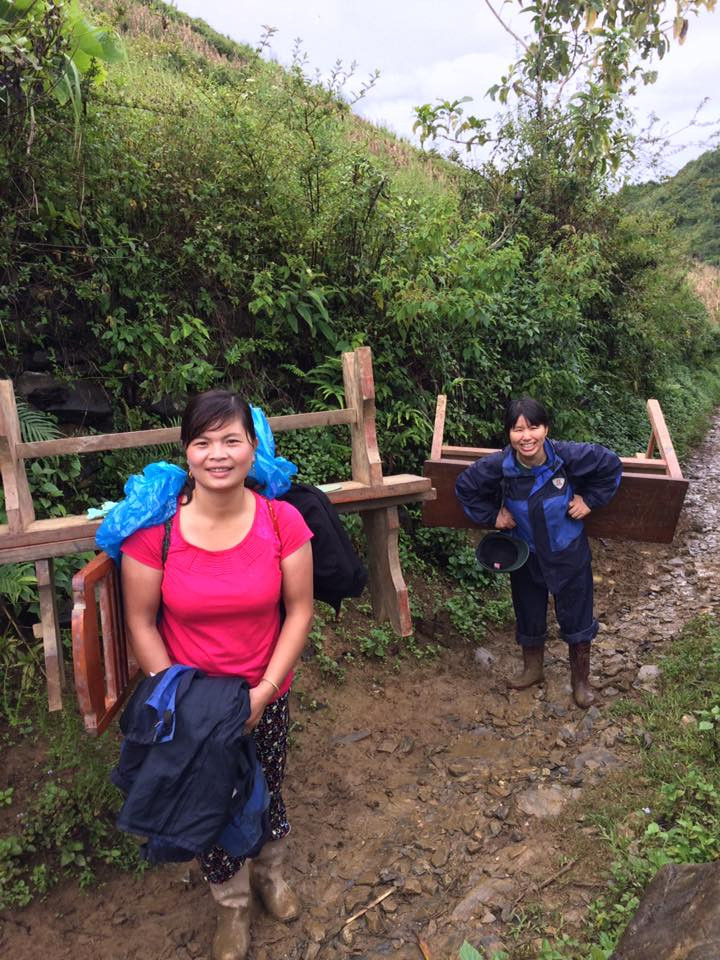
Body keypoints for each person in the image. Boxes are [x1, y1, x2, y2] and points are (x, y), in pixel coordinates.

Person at [120, 390, 314, 960]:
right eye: (203, 442)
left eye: (232, 440)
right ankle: (231, 904)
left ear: (254, 448)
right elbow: (141, 621)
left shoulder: (282, 521)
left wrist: (265, 692)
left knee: (267, 785)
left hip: (264, 692)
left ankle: (270, 875)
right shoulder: (156, 534)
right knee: (208, 800)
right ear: (186, 452)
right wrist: (185, 701)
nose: (218, 454)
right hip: (191, 706)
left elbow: (299, 609)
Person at [455, 397, 622, 709]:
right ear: (508, 434)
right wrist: (493, 516)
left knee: (577, 613)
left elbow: (611, 464)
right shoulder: (500, 465)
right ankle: (533, 670)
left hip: (567, 550)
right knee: (528, 610)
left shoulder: (569, 456)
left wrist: (590, 500)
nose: (526, 436)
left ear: (546, 429)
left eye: (533, 427)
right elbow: (465, 487)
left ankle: (581, 681)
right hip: (525, 552)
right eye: (518, 429)